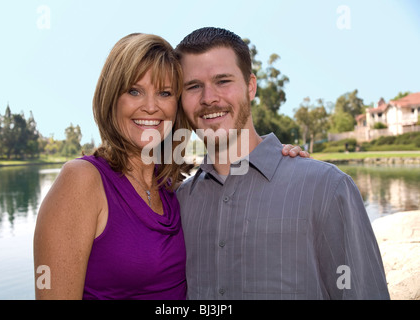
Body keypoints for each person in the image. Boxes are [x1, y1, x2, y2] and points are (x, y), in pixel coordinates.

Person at [33, 32, 306, 300]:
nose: (151, 107)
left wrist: (282, 162)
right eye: (134, 91)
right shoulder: (82, 180)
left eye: (164, 93)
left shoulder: (175, 191)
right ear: (111, 98)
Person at [175, 27, 390, 300]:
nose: (208, 98)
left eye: (223, 81)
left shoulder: (326, 188)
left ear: (251, 86)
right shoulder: (181, 202)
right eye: (193, 86)